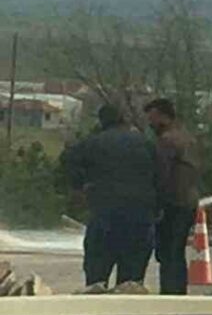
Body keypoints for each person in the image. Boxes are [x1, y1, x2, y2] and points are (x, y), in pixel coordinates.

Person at [61, 104, 157, 287]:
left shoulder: (93, 143)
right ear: (125, 120)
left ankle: (96, 311)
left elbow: (68, 160)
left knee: (96, 277)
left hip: (105, 217)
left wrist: (79, 186)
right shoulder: (145, 144)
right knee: (131, 283)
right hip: (139, 219)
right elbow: (162, 176)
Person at [144, 98, 201, 294]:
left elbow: (160, 173)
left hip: (173, 203)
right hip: (188, 200)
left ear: (162, 116)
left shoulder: (167, 141)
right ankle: (177, 291)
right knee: (176, 251)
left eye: (152, 118)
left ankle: (170, 292)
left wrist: (155, 203)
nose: (150, 123)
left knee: (168, 253)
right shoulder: (186, 136)